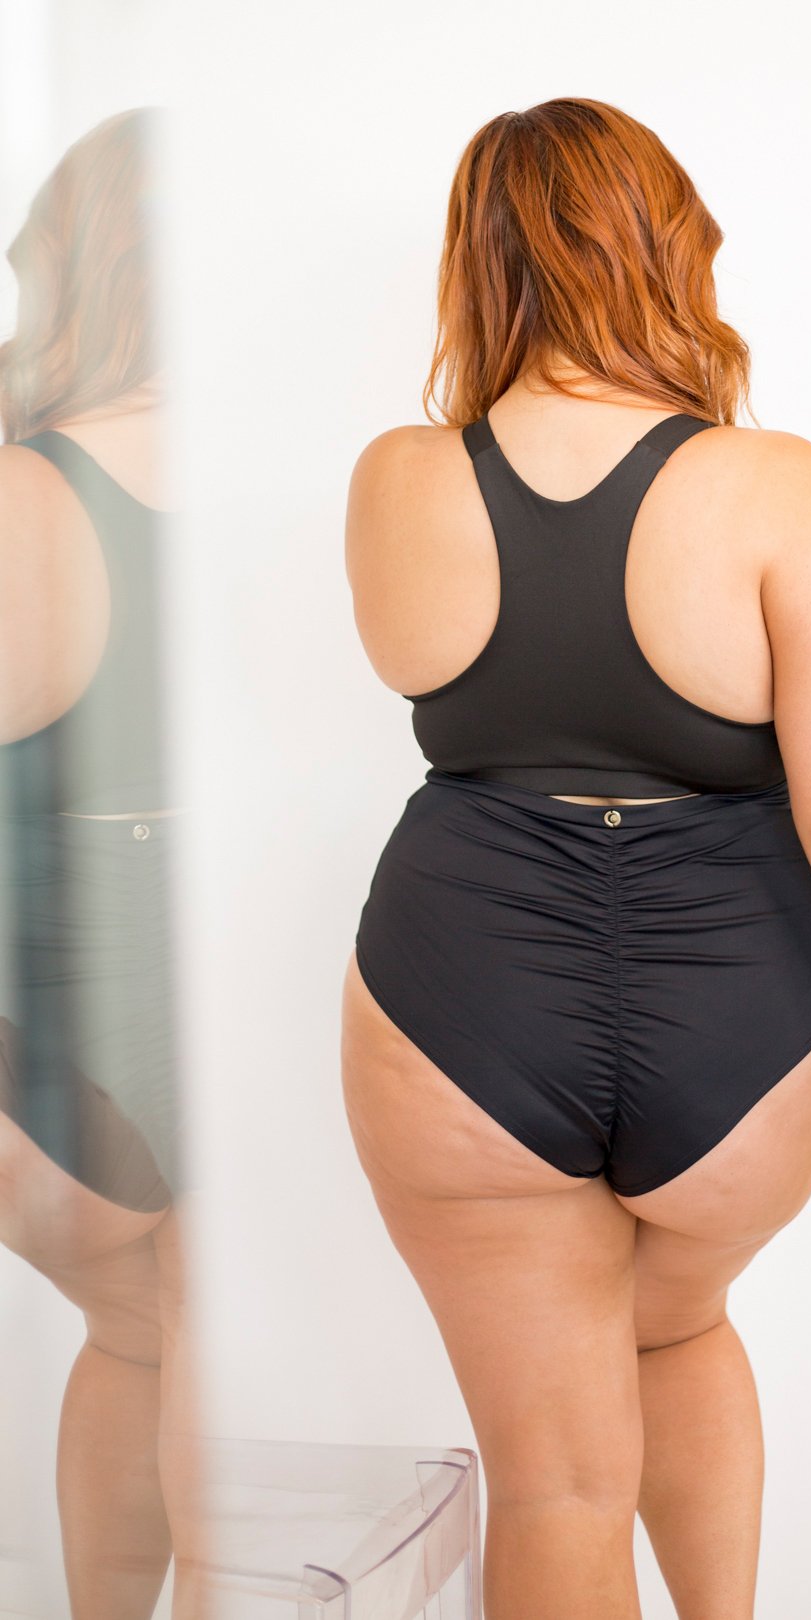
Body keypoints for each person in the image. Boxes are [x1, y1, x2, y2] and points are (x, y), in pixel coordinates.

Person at [339, 97, 811, 1620]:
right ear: (662, 246)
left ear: (480, 261)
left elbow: (440, 682)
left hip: (461, 1000)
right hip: (740, 1016)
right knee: (677, 1326)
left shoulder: (398, 478)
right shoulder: (776, 485)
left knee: (557, 1485)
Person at [0, 107, 207, 1620]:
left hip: (41, 1054)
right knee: (193, 1356)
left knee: (136, 1337)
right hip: (199, 1006)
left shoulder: (23, 492)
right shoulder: (294, 480)